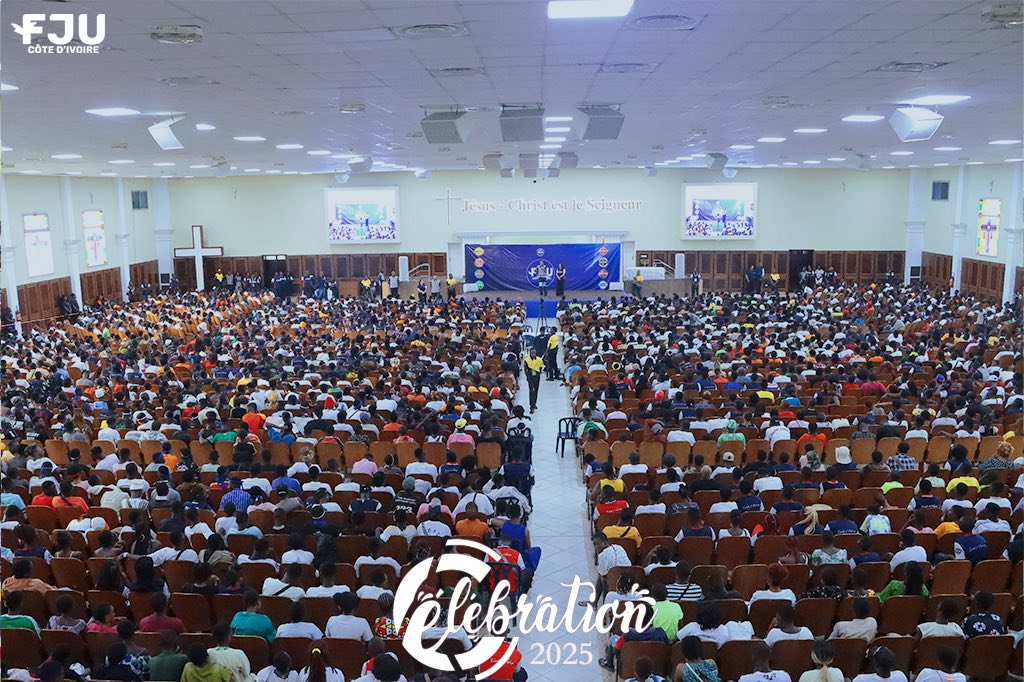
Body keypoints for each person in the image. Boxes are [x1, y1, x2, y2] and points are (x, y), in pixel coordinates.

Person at [524, 349, 543, 413]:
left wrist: (539, 373)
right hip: (530, 377)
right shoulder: (527, 360)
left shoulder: (539, 360)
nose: (533, 354)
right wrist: (527, 376)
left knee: (536, 390)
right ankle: (531, 405)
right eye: (532, 353)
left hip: (537, 377)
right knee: (531, 390)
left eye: (534, 353)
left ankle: (534, 403)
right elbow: (525, 369)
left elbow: (541, 367)